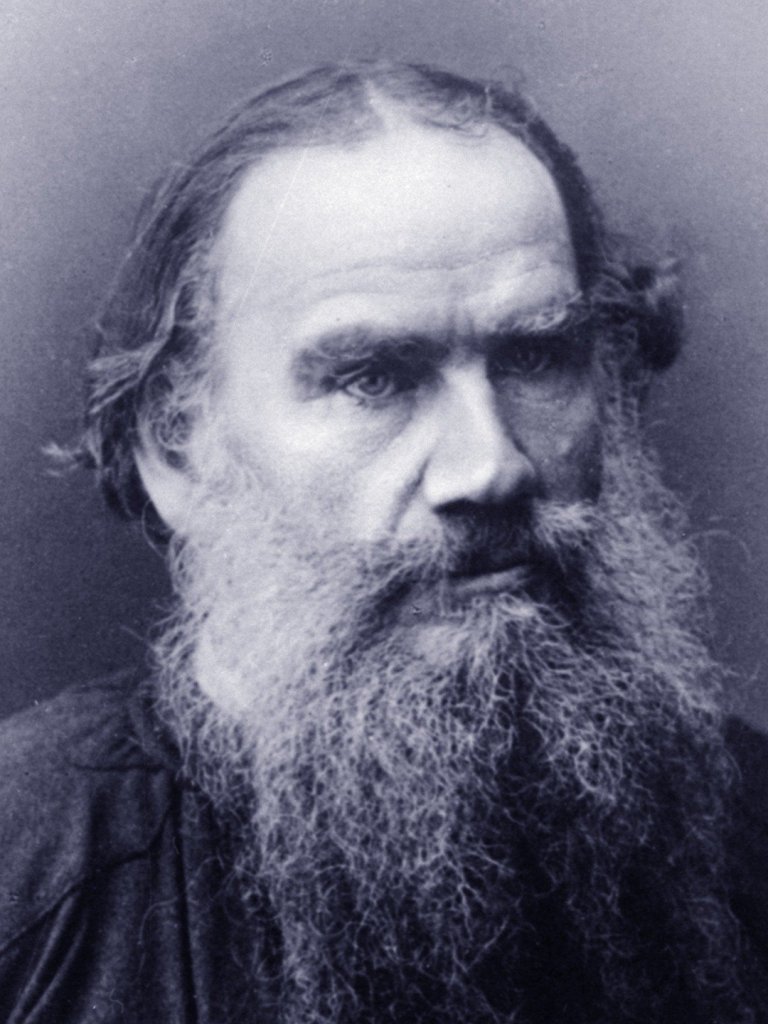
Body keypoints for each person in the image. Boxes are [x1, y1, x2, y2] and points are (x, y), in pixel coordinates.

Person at [0, 60, 766, 1024]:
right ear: (177, 444)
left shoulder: (743, 821)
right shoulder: (26, 882)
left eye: (536, 354)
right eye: (373, 378)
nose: (489, 467)